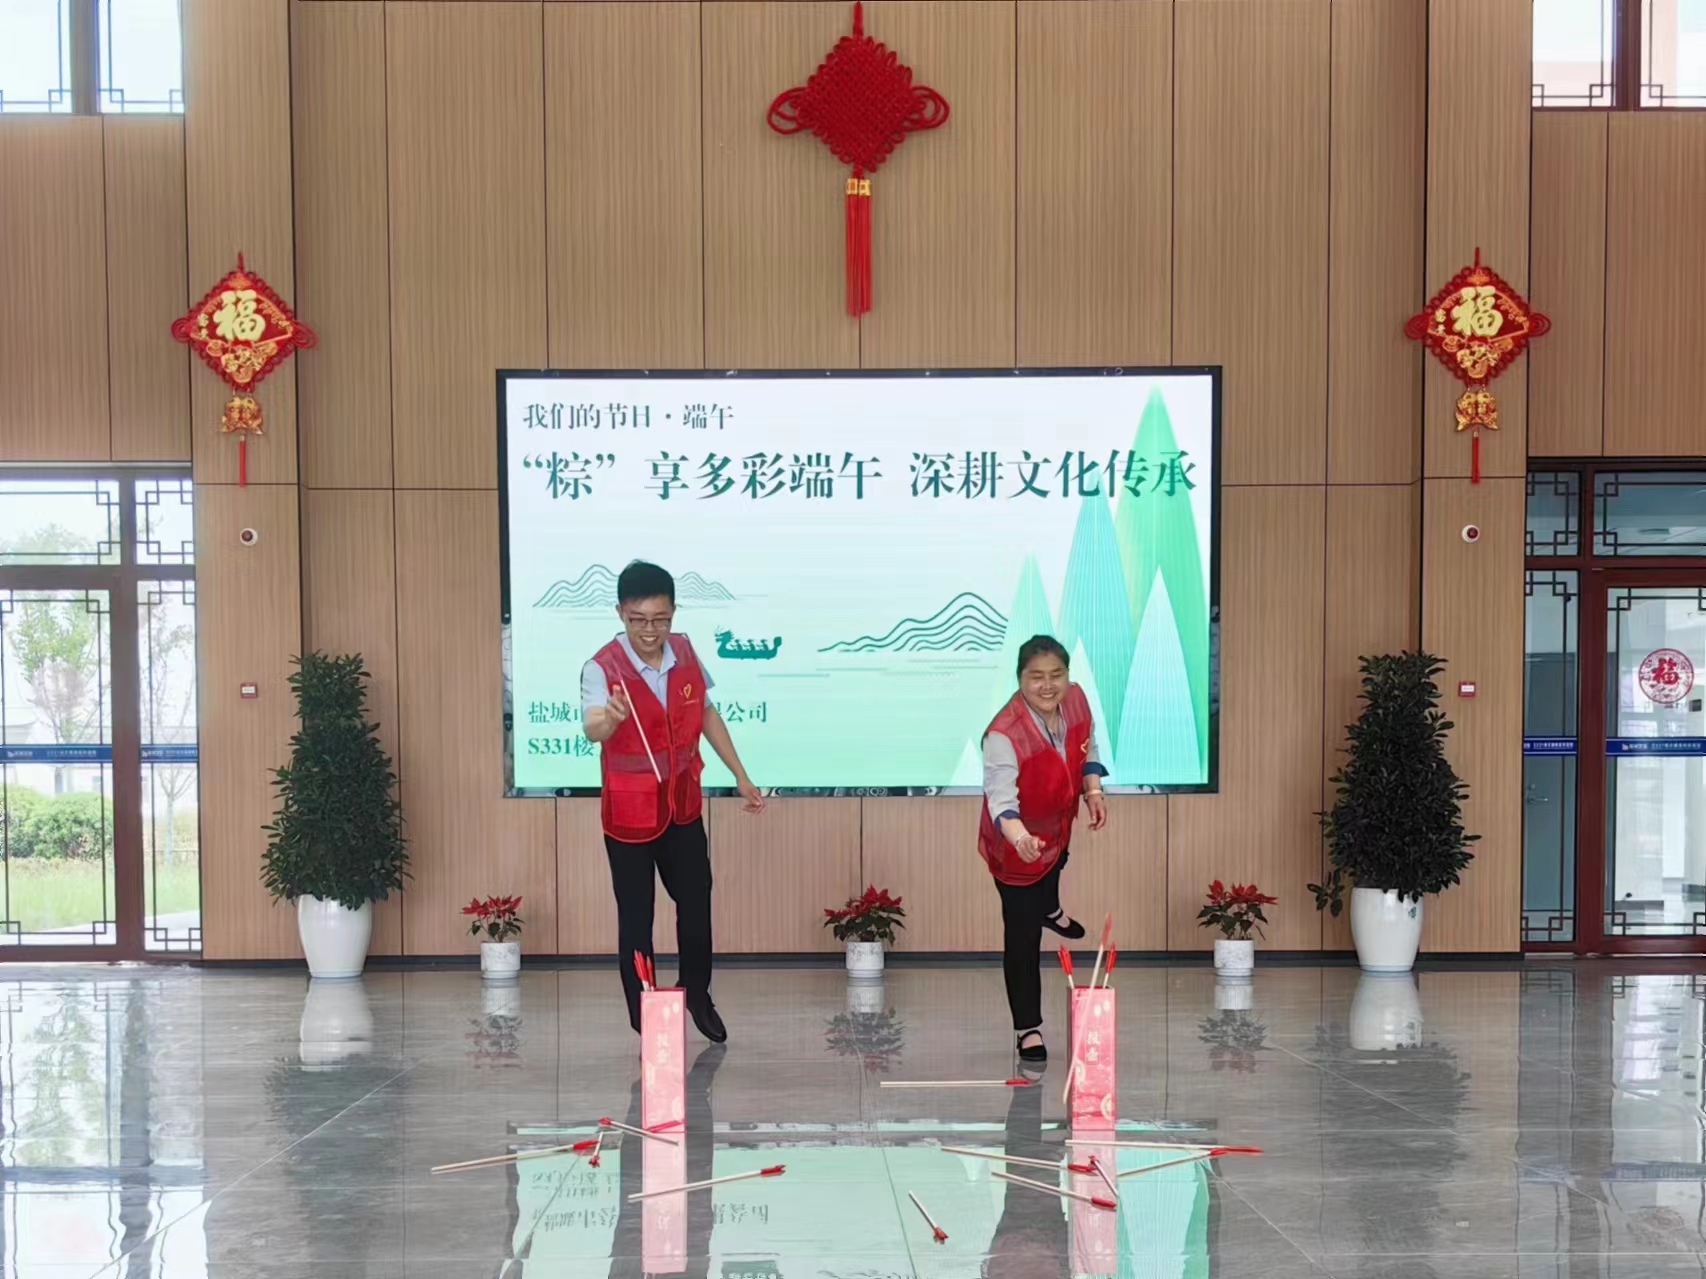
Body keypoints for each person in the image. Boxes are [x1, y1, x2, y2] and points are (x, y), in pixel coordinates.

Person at [582, 560, 765, 1043]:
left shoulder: (685, 651)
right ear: (620, 613)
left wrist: (741, 775)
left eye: (660, 619)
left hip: (682, 805)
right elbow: (592, 726)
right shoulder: (601, 667)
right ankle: (645, 1013)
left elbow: (706, 712)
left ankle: (697, 993)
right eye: (638, 620)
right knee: (636, 917)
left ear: (673, 613)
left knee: (697, 901)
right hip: (629, 814)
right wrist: (611, 719)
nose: (650, 631)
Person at [978, 635, 1108, 1063]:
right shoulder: (1003, 734)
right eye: (1036, 677)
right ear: (1019, 678)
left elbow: (1088, 745)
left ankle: (1050, 907)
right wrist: (1021, 839)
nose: (1048, 686)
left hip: (1057, 824)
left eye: (1057, 675)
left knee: (1057, 862)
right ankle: (1027, 1028)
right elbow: (1001, 801)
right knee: (1023, 938)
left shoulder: (1077, 700)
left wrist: (1092, 790)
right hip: (1016, 843)